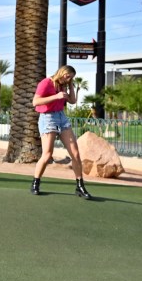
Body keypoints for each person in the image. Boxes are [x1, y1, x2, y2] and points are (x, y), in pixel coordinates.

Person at [31, 65, 92, 199]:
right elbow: (35, 101)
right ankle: (36, 183)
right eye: (68, 76)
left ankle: (80, 186)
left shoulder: (64, 85)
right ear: (62, 72)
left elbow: (72, 101)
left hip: (61, 117)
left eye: (71, 78)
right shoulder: (46, 83)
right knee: (47, 154)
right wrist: (56, 96)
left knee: (75, 153)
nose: (69, 79)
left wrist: (70, 86)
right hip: (48, 117)